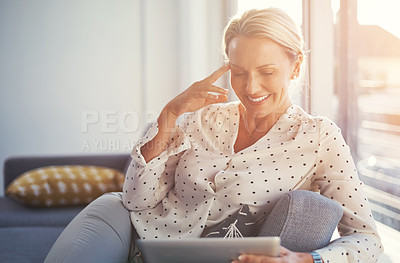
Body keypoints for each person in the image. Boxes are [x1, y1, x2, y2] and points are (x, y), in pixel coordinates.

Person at [45, 8, 383, 263]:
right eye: (238, 73)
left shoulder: (319, 138)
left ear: (296, 67)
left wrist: (310, 259)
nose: (251, 88)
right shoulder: (202, 120)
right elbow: (136, 200)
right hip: (135, 239)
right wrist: (169, 116)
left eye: (267, 72)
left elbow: (367, 239)